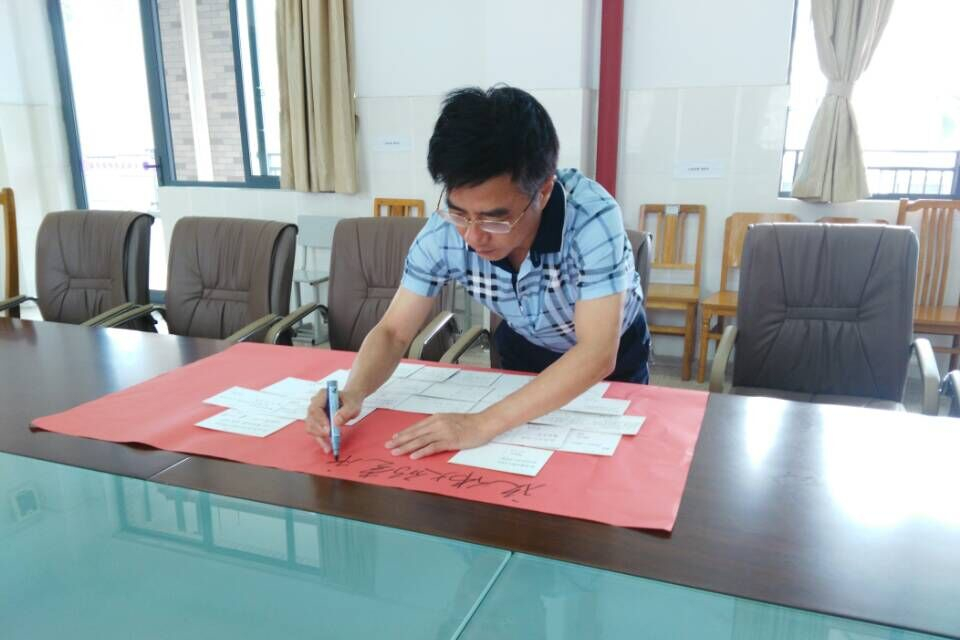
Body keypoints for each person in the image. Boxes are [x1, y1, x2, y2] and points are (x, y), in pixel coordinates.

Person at [306, 86, 649, 460]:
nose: (472, 237)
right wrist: (354, 390)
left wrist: (482, 424)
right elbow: (393, 331)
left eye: (493, 219)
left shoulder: (592, 218)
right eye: (459, 213)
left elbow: (597, 352)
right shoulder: (444, 232)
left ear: (544, 190)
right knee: (519, 462)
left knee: (604, 466)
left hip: (609, 356)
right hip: (525, 346)